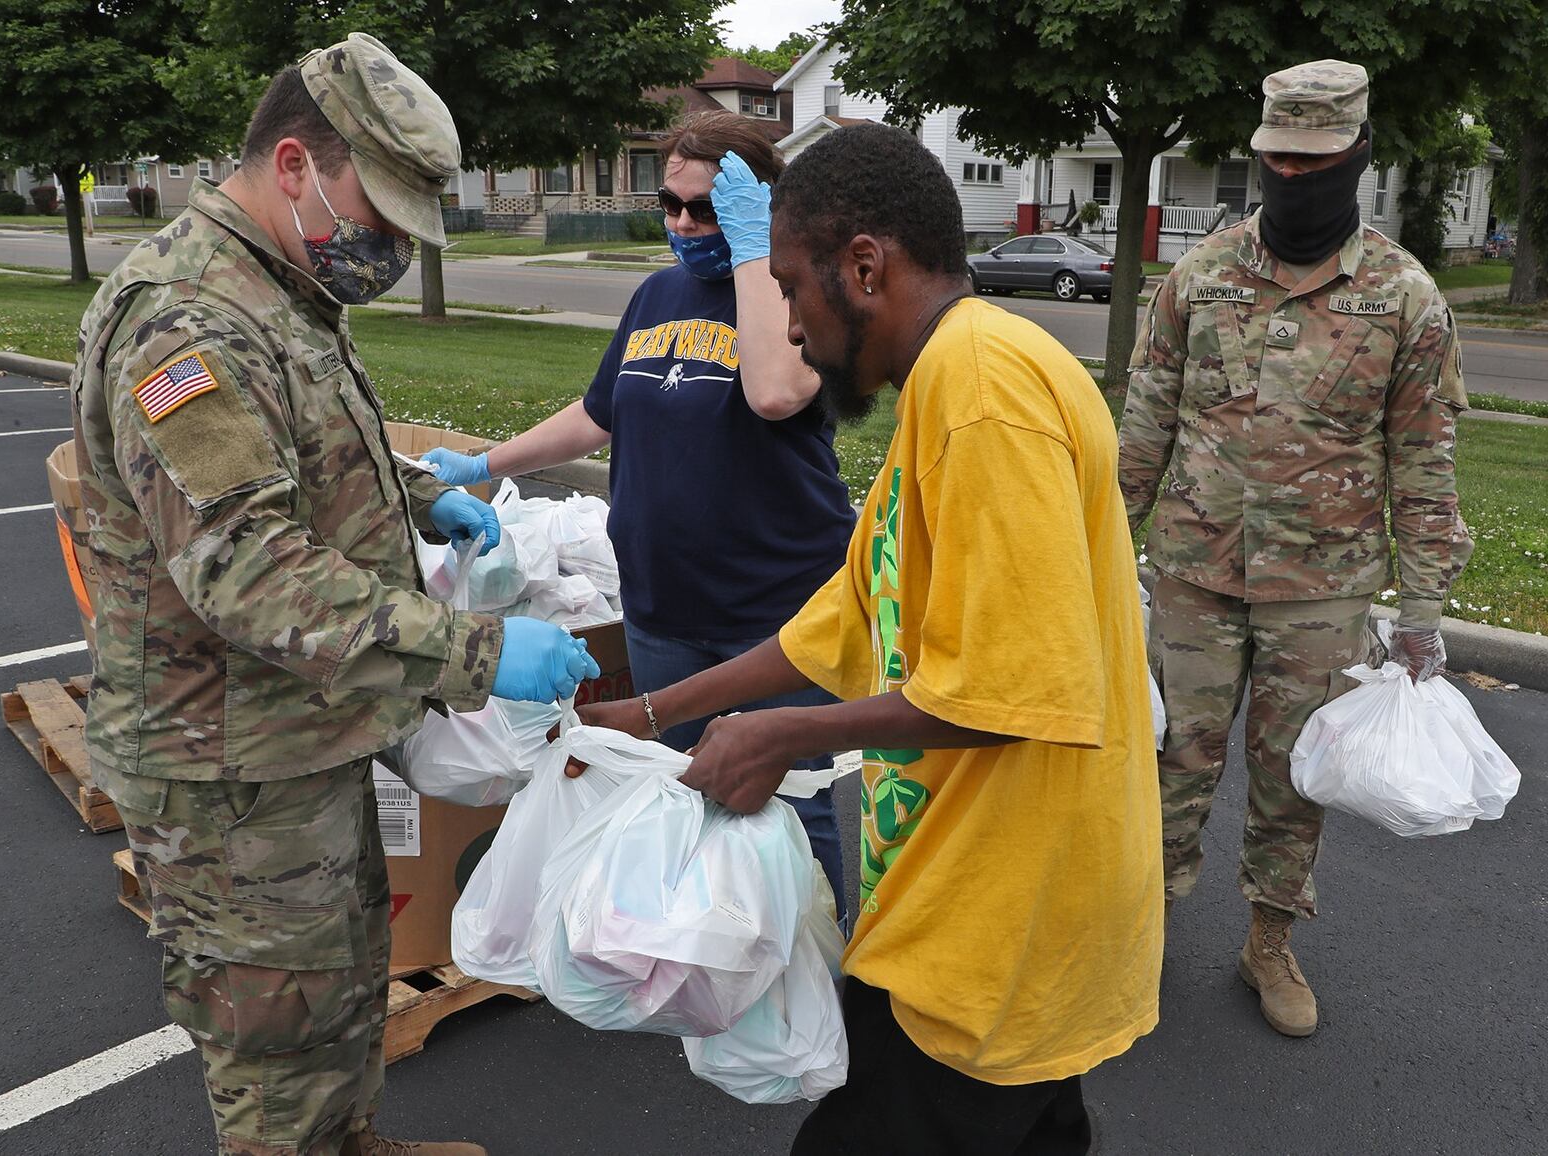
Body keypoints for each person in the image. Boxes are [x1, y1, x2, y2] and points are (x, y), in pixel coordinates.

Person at [579, 122, 1162, 1153]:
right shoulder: (943, 385)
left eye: (794, 288)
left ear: (864, 266)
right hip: (967, 897)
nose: (791, 327)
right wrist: (655, 708)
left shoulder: (984, 392)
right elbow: (839, 622)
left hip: (997, 916)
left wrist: (777, 737)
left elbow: (1012, 688)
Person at [71, 34, 596, 1156]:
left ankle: (349, 1144)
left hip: (291, 735)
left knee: (341, 982)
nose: (395, 246)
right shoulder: (187, 321)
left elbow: (301, 456)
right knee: (274, 1036)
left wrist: (413, 497)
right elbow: (246, 567)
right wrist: (472, 650)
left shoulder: (278, 286)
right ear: (299, 164)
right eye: (385, 212)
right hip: (227, 763)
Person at [422, 111, 856, 924]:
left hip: (773, 617)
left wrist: (758, 250)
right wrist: (485, 464)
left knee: (792, 805)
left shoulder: (801, 297)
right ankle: (715, 961)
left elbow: (774, 391)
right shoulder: (656, 293)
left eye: (707, 209)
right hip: (663, 608)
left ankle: (816, 981)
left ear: (754, 208)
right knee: (682, 791)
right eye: (672, 204)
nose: (686, 224)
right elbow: (599, 414)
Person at [1119, 59, 1473, 1039]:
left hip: (1322, 587)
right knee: (1167, 762)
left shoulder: (1403, 297)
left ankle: (1268, 941)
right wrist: (1100, 553)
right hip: (1192, 570)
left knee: (1292, 776)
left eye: (1316, 162)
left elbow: (1424, 461)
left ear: (1357, 156)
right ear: (1258, 156)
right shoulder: (1198, 277)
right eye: (1278, 160)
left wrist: (1423, 610)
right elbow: (1145, 424)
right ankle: (1136, 929)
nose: (1295, 178)